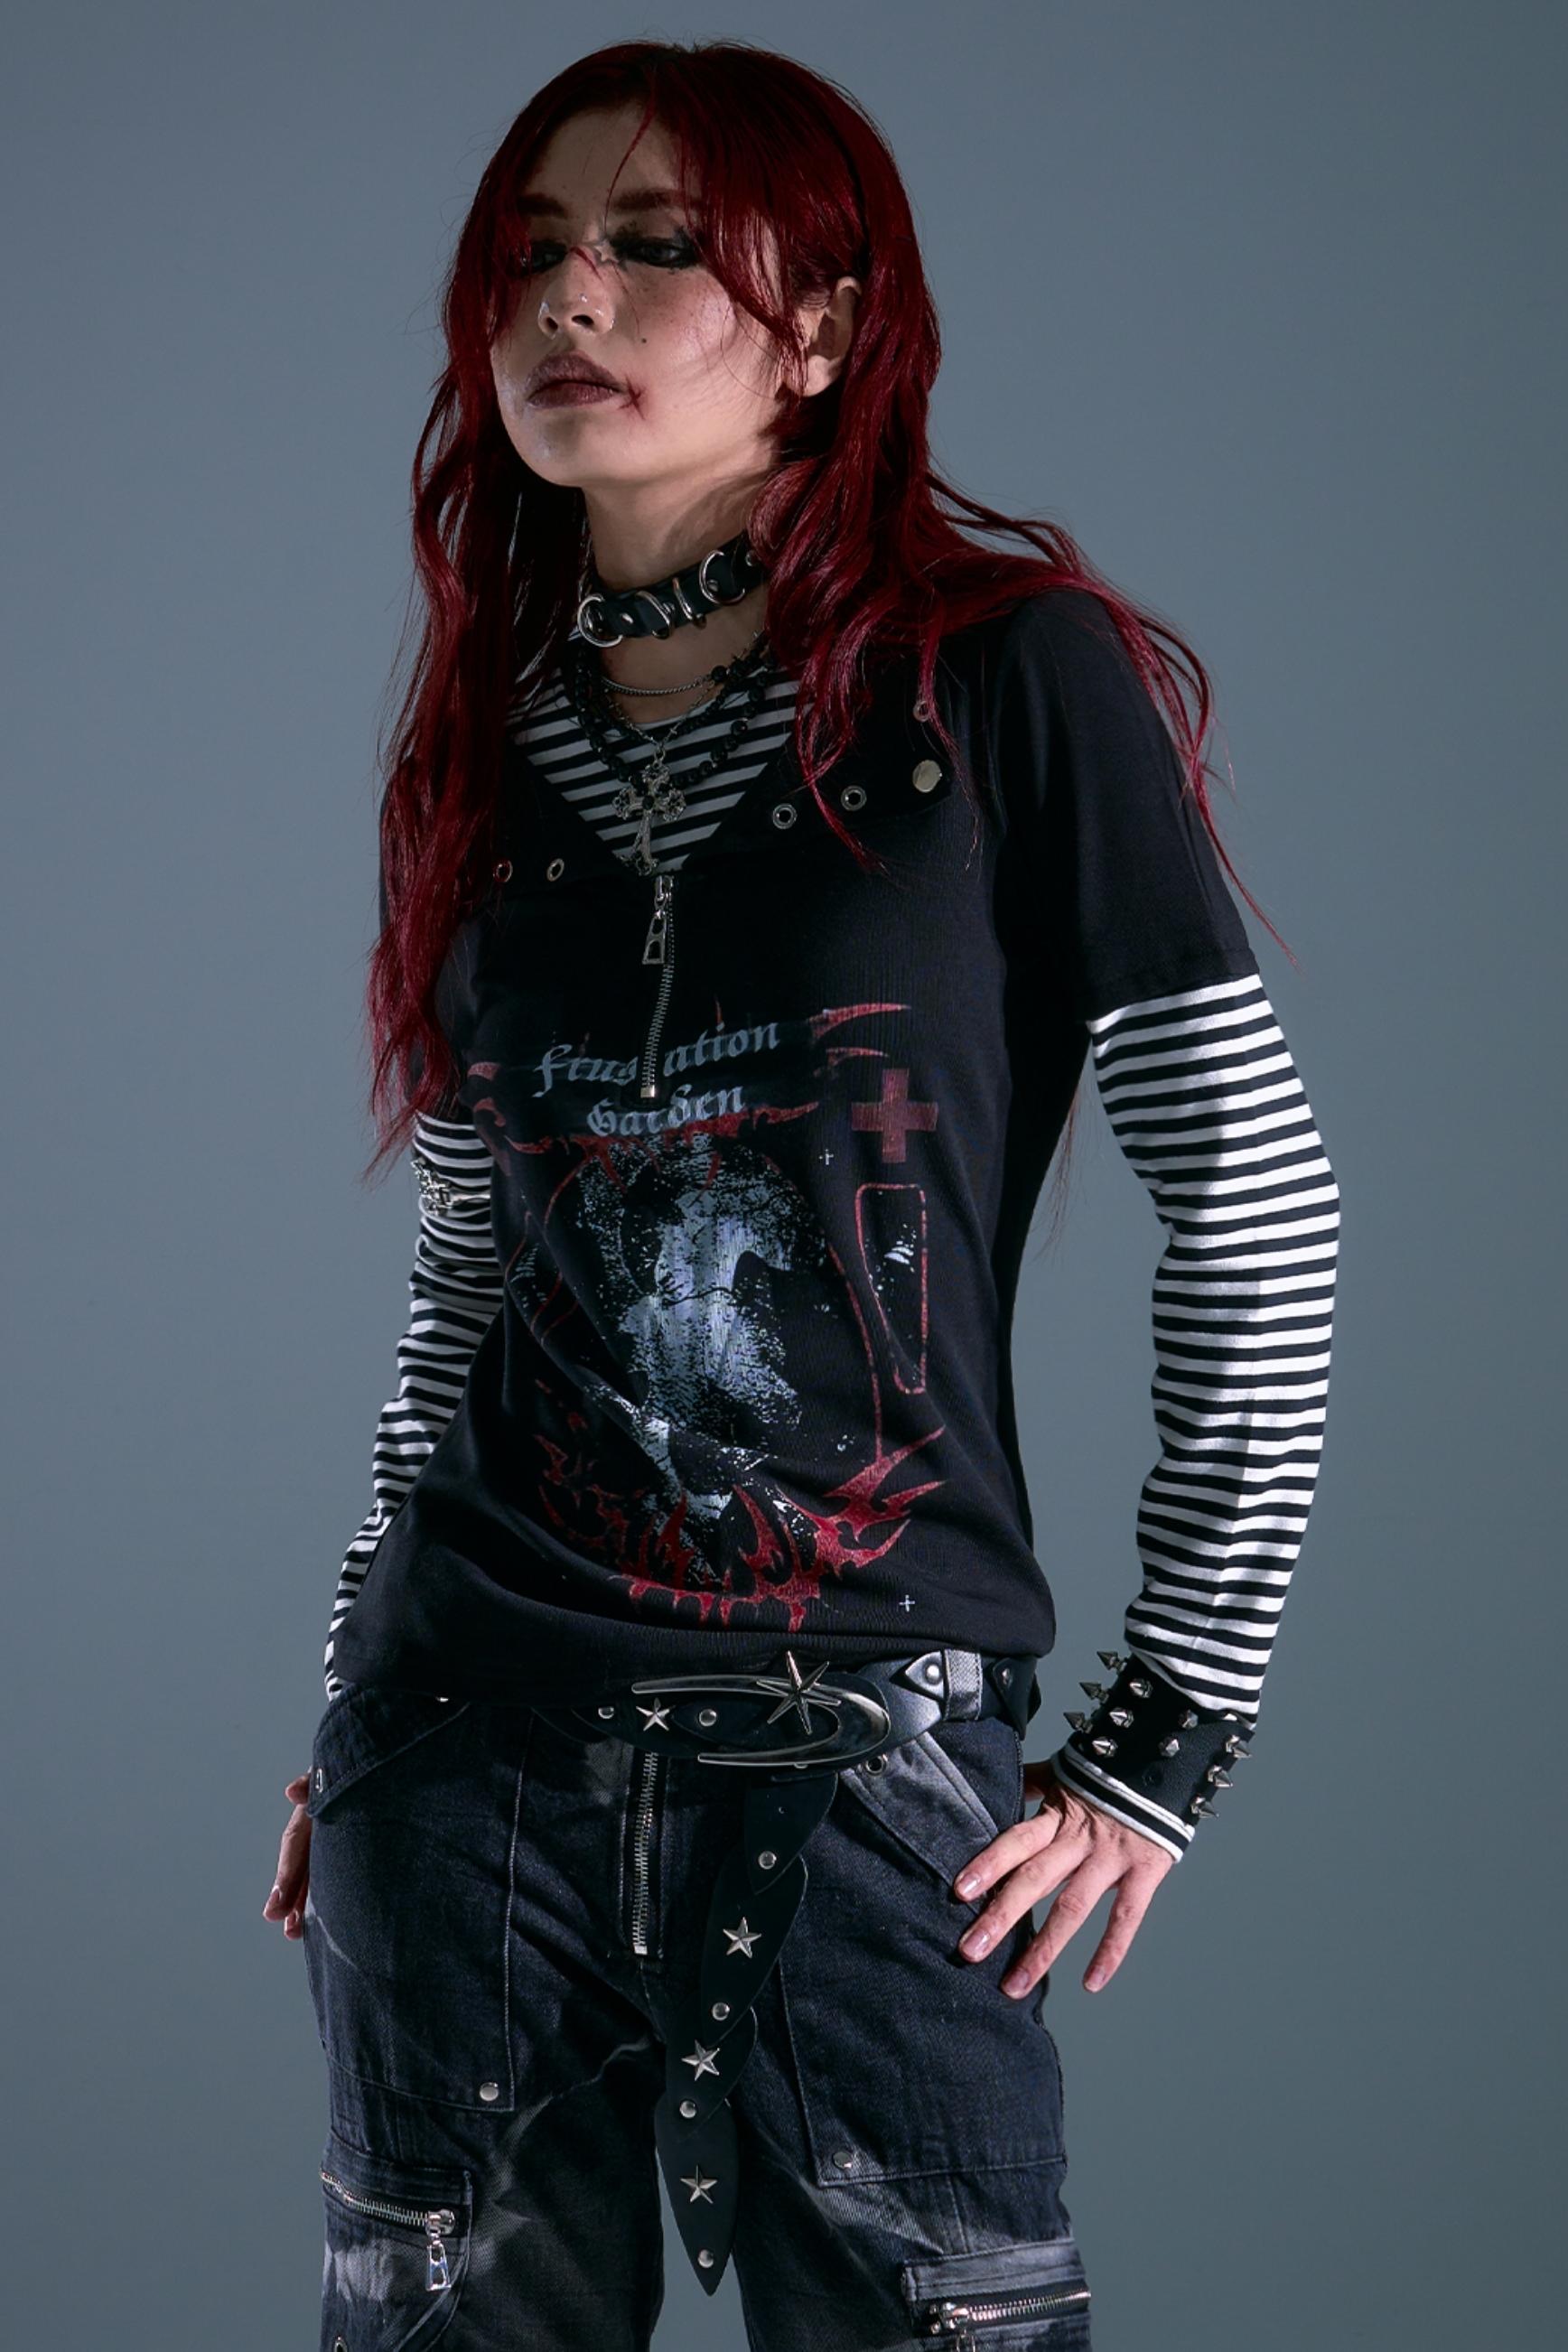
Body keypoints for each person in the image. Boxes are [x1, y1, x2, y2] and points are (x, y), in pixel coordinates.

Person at [263, 39, 1339, 2352]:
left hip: (862, 1770)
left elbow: (1253, 1199)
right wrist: (353, 1683)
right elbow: (473, 1274)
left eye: (656, 248)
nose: (571, 298)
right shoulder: (486, 747)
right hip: (465, 1767)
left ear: (826, 329)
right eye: (531, 253)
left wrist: (1166, 1739)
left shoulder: (1008, 685)